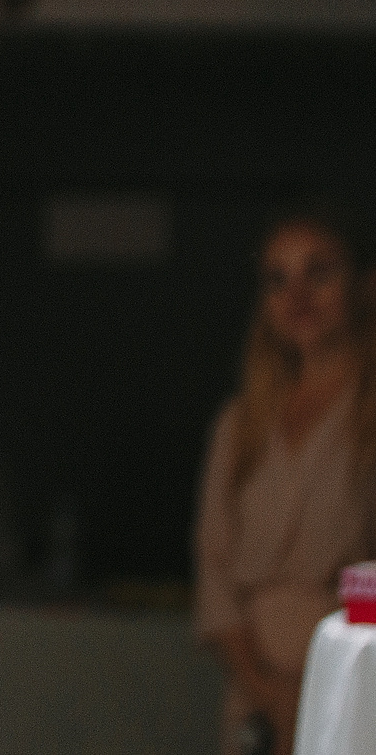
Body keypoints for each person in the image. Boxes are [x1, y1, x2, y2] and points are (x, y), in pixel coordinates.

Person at [195, 211, 376, 755]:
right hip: (252, 686)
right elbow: (215, 572)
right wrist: (266, 689)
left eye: (318, 272)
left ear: (360, 283)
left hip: (353, 670)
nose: (297, 295)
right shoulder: (242, 423)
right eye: (278, 279)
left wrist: (323, 681)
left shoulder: (367, 415)